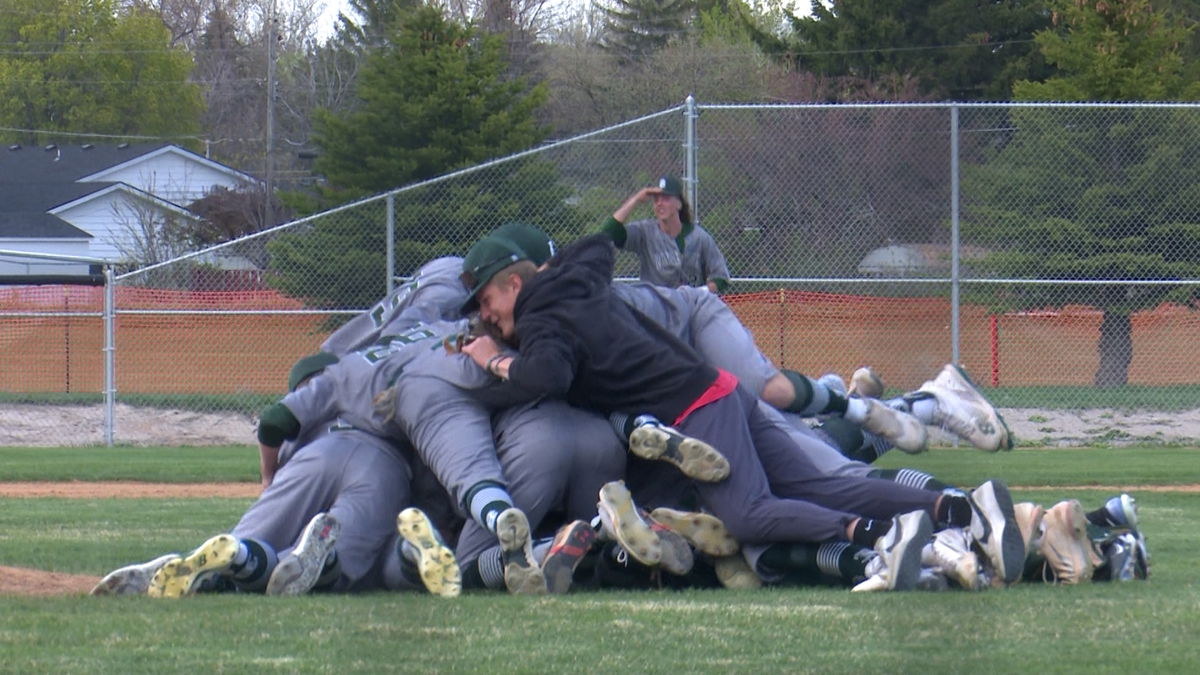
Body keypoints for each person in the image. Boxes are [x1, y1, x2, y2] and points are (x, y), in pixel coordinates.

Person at [459, 228, 1022, 590]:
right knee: (821, 483)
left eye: (487, 301)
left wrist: (493, 360)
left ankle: (879, 534)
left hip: (695, 410)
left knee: (750, 515)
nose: (486, 316)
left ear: (515, 282)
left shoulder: (541, 318)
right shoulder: (573, 280)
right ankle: (959, 507)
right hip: (715, 388)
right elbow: (597, 247)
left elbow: (547, 374)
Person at [602, 175, 731, 293]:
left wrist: (699, 293)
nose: (659, 203)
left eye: (666, 198)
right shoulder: (645, 232)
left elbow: (721, 277)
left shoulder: (699, 237)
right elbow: (608, 232)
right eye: (656, 199)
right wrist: (635, 199)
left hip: (691, 310)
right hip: (655, 309)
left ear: (679, 204)